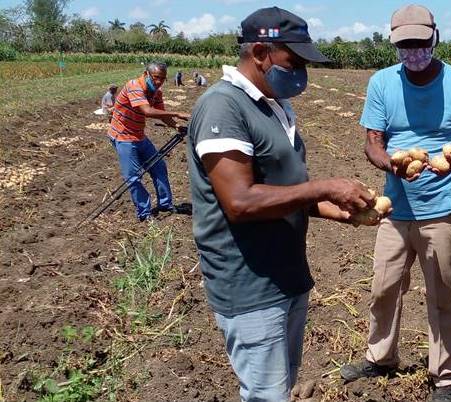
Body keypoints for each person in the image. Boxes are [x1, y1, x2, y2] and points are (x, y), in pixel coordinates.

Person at [186, 7, 381, 401]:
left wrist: (340, 212)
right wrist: (324, 188)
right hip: (250, 283)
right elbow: (240, 201)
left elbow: (282, 189)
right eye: (294, 61)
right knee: (266, 395)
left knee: (283, 386)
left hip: (286, 276)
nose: (301, 73)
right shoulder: (223, 106)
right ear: (260, 53)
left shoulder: (273, 105)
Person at [338, 5, 451, 402]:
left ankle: (446, 376)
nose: (414, 53)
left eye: (421, 44)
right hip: (395, 207)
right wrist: (392, 166)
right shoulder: (382, 82)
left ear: (435, 37)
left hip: (443, 209)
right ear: (395, 44)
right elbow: (373, 141)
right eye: (405, 46)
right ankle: (380, 356)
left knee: (441, 293)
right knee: (384, 287)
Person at [108, 62, 189, 221]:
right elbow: (147, 111)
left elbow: (162, 115)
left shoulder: (156, 93)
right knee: (133, 177)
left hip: (139, 135)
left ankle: (165, 204)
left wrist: (177, 126)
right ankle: (144, 213)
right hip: (123, 137)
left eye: (163, 79)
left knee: (159, 166)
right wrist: (178, 113)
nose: (159, 82)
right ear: (146, 74)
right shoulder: (134, 86)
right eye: (156, 78)